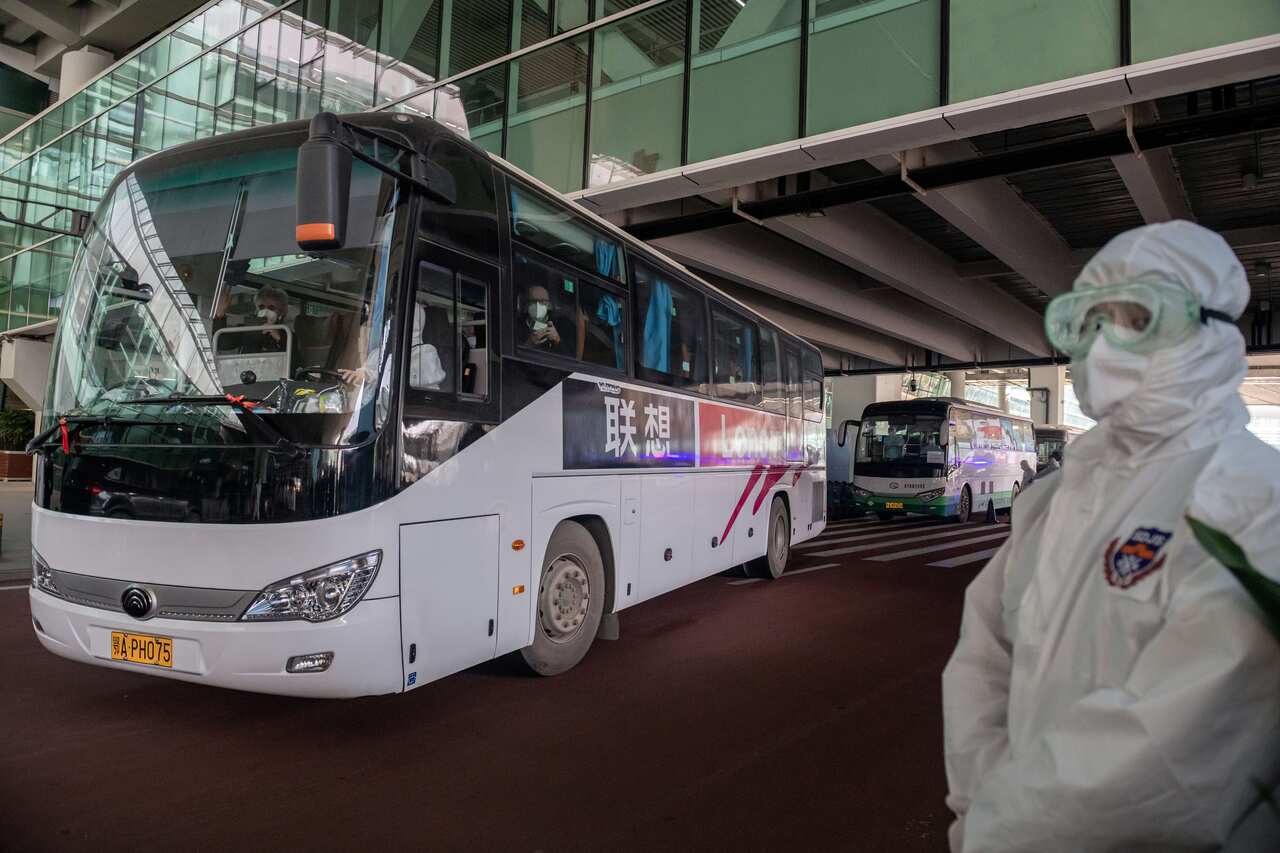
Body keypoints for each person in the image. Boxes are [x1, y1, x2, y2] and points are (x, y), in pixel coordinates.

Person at [942, 221, 1280, 852]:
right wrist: (978, 804)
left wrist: (994, 829)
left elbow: (1174, 757)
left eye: (1134, 319)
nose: (1102, 349)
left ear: (1209, 331)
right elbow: (982, 659)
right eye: (1090, 324)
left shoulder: (1253, 503)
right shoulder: (1055, 500)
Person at [522, 284, 562, 351]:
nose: (538, 305)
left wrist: (557, 340)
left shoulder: (560, 325)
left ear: (549, 305)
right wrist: (529, 343)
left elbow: (570, 357)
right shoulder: (514, 326)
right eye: (533, 301)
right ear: (527, 304)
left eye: (542, 301)